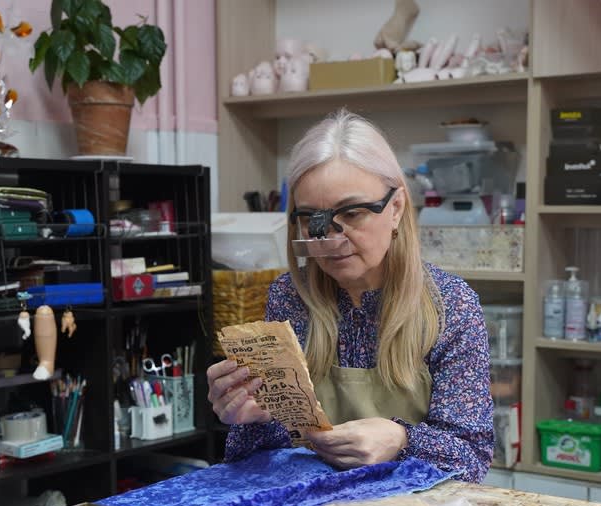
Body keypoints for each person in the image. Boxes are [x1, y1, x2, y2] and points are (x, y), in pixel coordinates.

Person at [207, 109, 494, 482]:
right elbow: (268, 454)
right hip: (314, 504)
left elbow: (472, 459)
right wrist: (250, 418)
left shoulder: (451, 306)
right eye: (312, 220)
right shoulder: (290, 297)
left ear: (395, 208)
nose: (330, 239)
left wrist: (402, 439)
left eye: (353, 213)